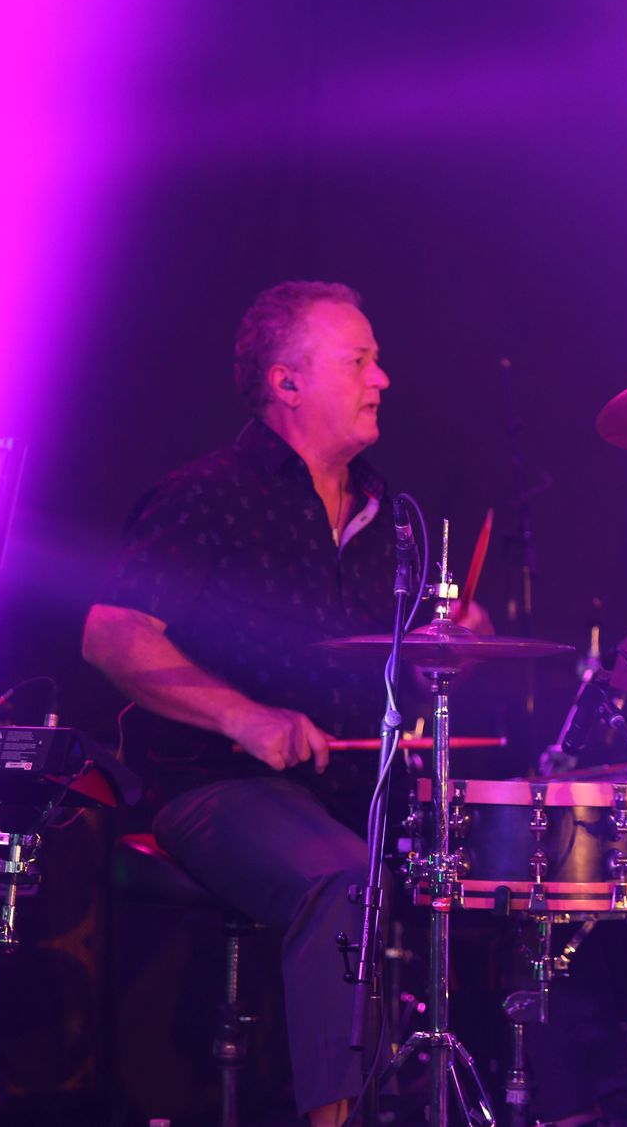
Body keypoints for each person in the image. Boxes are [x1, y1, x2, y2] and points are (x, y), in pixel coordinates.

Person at [83, 280, 400, 1127]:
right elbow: (114, 634)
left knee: (477, 872)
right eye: (359, 361)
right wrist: (243, 716)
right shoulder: (209, 493)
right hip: (214, 787)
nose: (382, 379)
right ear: (287, 381)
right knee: (345, 877)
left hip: (347, 795)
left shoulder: (389, 518)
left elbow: (393, 677)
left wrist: (449, 649)